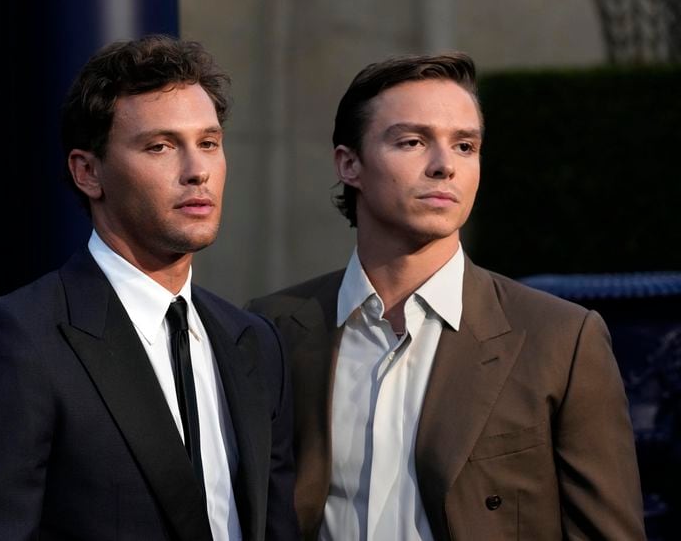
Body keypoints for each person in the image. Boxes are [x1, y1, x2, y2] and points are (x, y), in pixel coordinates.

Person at [247, 52, 645, 540]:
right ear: (350, 164)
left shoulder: (560, 339)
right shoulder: (272, 330)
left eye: (464, 146)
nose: (444, 167)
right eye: (413, 142)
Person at [0, 35, 297, 541]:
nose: (197, 172)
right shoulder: (15, 342)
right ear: (88, 172)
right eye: (161, 146)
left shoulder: (252, 340)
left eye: (208, 143)